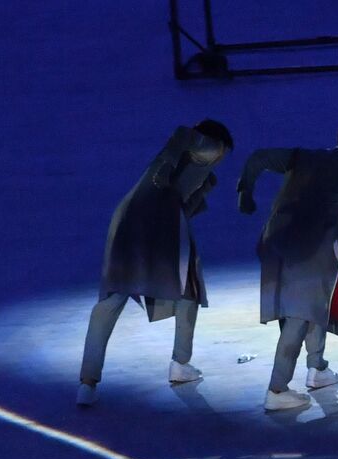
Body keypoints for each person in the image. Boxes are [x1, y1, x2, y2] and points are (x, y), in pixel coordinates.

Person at [237, 121, 338, 411]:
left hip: (273, 240)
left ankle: (317, 368)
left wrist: (246, 191)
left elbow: (259, 157)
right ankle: (277, 389)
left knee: (313, 304)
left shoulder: (305, 155)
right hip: (310, 249)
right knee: (300, 314)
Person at [77, 120, 234, 406]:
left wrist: (201, 187)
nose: (222, 158)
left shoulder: (197, 170)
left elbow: (183, 199)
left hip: (127, 218)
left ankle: (87, 382)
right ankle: (180, 362)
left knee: (113, 297)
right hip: (162, 224)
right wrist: (170, 164)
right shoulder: (207, 147)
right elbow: (184, 135)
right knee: (189, 290)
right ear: (221, 144)